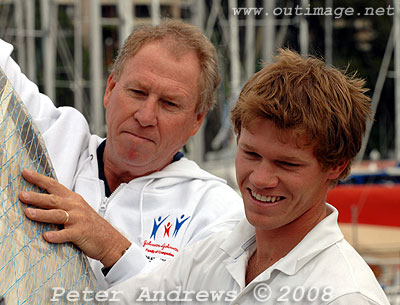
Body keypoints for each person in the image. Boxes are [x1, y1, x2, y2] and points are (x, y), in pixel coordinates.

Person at [107, 49, 390, 304]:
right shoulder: (213, 254)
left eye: (287, 164)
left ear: (337, 166)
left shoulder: (346, 296)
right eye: (251, 155)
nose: (260, 179)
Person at [0, 19, 243, 289]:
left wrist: (113, 249)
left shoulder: (214, 210)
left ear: (197, 120)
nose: (145, 116)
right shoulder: (52, 138)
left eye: (169, 103)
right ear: (110, 89)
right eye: (137, 92)